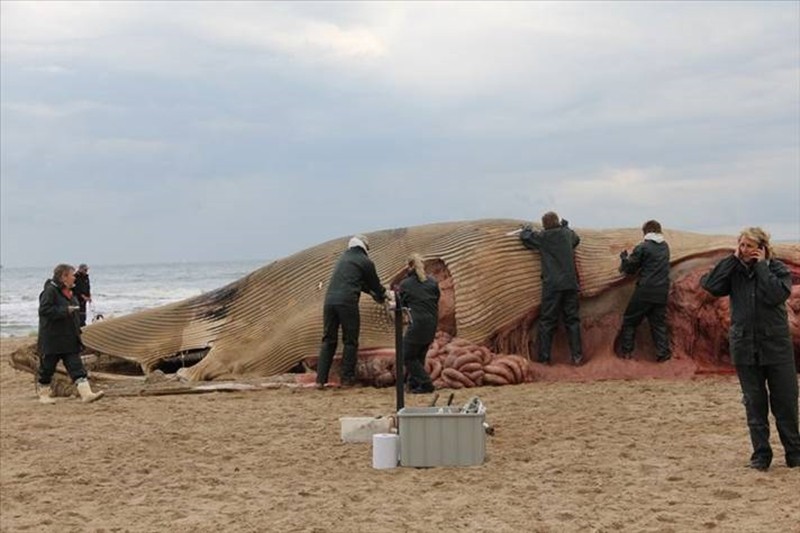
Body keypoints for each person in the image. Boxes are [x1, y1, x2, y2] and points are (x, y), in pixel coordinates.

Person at [701, 227, 800, 470]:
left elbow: (776, 295)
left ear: (763, 248)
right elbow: (712, 286)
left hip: (776, 346)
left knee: (785, 401)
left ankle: (794, 453)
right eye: (742, 245)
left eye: (749, 246)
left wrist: (762, 266)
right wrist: (732, 259)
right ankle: (761, 455)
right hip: (745, 346)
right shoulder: (734, 271)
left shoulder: (777, 270)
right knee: (754, 403)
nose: (745, 250)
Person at [316, 235, 389, 388]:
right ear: (364, 248)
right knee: (350, 341)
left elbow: (359, 283)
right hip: (347, 302)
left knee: (328, 340)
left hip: (329, 302)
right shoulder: (365, 261)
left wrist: (372, 293)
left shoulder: (343, 259)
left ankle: (320, 380)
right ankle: (347, 379)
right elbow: (375, 285)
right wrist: (384, 295)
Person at [519, 211, 583, 365]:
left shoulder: (544, 237)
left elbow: (527, 239)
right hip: (570, 284)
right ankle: (577, 356)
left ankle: (545, 358)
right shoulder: (567, 234)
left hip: (552, 285)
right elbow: (576, 239)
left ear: (545, 225)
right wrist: (566, 228)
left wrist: (526, 230)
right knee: (572, 320)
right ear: (558, 222)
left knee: (547, 321)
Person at [37, 263, 104, 404]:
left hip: (69, 337)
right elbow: (44, 310)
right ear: (63, 277)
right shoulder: (50, 291)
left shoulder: (69, 292)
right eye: (72, 275)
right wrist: (64, 311)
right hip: (53, 339)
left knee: (76, 366)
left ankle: (86, 394)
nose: (74, 278)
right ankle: (44, 395)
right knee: (47, 368)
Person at [617, 220, 672, 362]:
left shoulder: (643, 247)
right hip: (661, 291)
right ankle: (663, 355)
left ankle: (627, 354)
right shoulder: (665, 246)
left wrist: (624, 259)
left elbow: (630, 269)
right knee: (658, 324)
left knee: (630, 320)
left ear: (646, 232)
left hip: (645, 290)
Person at [398, 253, 440, 394]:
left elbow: (401, 304)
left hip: (417, 324)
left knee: (407, 355)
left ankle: (426, 384)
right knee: (419, 355)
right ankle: (414, 385)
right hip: (432, 324)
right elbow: (435, 299)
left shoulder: (405, 284)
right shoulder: (433, 282)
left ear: (409, 266)